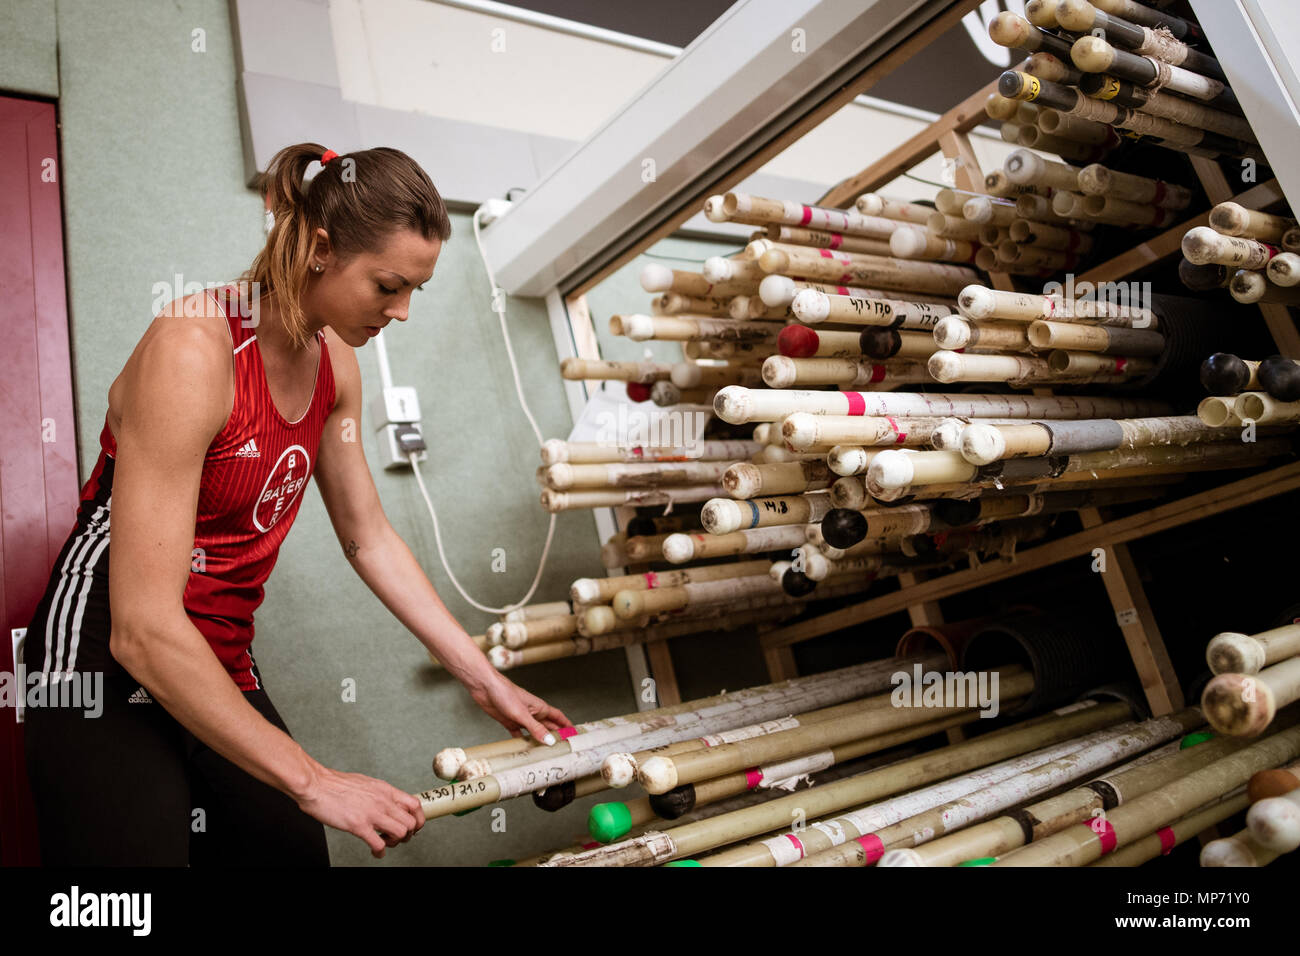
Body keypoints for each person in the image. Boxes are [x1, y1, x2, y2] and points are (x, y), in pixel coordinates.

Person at [22, 142, 572, 866]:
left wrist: (485, 679)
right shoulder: (194, 351)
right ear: (319, 248)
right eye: (388, 285)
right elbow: (143, 629)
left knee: (289, 853)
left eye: (415, 290)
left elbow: (368, 538)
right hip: (104, 653)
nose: (403, 311)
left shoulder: (336, 365)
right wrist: (314, 780)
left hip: (217, 652)